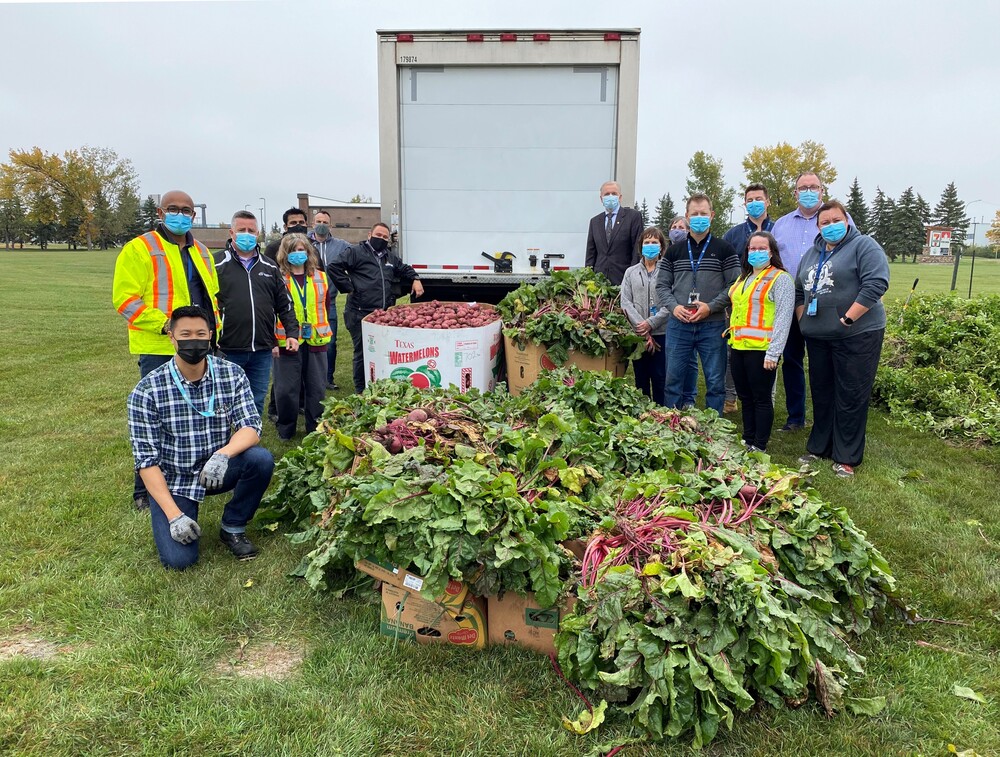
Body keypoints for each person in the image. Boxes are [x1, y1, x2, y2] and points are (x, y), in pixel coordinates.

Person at [127, 305, 274, 569]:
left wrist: (223, 454)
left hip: (218, 468)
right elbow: (146, 462)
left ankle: (233, 526)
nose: (192, 340)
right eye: (185, 334)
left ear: (210, 336)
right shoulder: (146, 391)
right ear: (171, 337)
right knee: (179, 560)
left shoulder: (231, 374)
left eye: (200, 333)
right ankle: (177, 512)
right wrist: (174, 517)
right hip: (176, 479)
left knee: (260, 460)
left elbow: (251, 426)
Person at [113, 189, 221, 510]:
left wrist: (216, 335)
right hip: (159, 347)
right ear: (160, 213)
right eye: (173, 209)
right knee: (155, 418)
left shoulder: (202, 251)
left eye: (186, 210)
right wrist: (165, 325)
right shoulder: (140, 249)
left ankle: (190, 477)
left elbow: (213, 298)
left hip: (200, 348)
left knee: (195, 415)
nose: (180, 214)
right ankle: (144, 489)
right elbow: (125, 299)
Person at [794, 201, 889, 478]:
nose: (830, 226)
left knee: (851, 394)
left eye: (836, 220)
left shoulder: (864, 246)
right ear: (818, 226)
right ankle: (819, 447)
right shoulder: (812, 253)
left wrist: (848, 318)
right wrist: (803, 320)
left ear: (847, 220)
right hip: (819, 335)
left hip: (857, 333)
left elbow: (876, 283)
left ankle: (846, 456)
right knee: (822, 392)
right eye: (825, 222)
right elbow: (800, 290)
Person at [655, 194, 741, 415]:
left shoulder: (725, 249)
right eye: (695, 214)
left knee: (714, 381)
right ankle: (671, 426)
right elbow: (662, 286)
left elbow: (734, 285)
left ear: (712, 216)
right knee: (673, 379)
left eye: (704, 213)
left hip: (712, 325)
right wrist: (674, 307)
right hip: (679, 324)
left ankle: (714, 428)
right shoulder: (674, 251)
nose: (699, 217)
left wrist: (710, 307)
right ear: (687, 216)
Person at [214, 210, 300, 418]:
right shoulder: (215, 263)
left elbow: (284, 302)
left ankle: (251, 442)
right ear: (231, 232)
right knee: (225, 400)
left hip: (261, 349)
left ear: (258, 233)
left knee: (256, 398)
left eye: (251, 230)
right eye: (241, 230)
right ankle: (226, 444)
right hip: (228, 348)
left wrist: (291, 332)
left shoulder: (269, 266)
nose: (247, 234)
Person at [329, 222, 424, 393]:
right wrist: (348, 287)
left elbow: (403, 269)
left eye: (385, 237)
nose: (381, 239)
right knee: (362, 352)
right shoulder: (355, 252)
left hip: (381, 315)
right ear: (369, 235)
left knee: (380, 351)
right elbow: (334, 267)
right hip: (359, 312)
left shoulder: (389, 257)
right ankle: (360, 389)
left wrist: (415, 278)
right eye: (378, 235)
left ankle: (377, 383)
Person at [726, 231, 794, 452]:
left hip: (762, 350)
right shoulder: (743, 277)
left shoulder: (780, 278)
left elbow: (784, 318)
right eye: (752, 249)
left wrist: (774, 353)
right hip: (738, 346)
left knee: (761, 398)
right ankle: (748, 438)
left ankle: (760, 444)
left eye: (761, 248)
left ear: (772, 251)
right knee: (745, 396)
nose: (756, 252)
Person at [771, 172, 826, 432]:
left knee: (823, 362)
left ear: (822, 190)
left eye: (813, 187)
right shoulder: (780, 225)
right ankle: (796, 417)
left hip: (824, 302)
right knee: (792, 360)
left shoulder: (835, 220)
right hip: (789, 301)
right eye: (803, 187)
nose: (808, 191)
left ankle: (827, 417)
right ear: (795, 193)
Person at [721, 184, 776, 413]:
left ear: (767, 201)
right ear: (744, 204)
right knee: (734, 355)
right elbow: (724, 268)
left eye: (758, 198)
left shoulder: (778, 228)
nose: (754, 203)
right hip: (739, 305)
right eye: (749, 199)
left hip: (767, 306)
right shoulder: (733, 234)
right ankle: (731, 398)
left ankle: (767, 401)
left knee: (768, 358)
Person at [271, 235, 333, 440]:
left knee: (316, 388)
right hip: (286, 341)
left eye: (301, 249)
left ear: (308, 252)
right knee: (286, 389)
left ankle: (315, 428)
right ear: (285, 254)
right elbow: (270, 312)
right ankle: (286, 429)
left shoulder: (321, 277)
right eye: (293, 250)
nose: (298, 254)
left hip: (316, 340)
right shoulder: (277, 278)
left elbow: (326, 306)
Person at [621, 226, 669, 403]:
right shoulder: (631, 272)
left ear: (661, 247)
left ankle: (660, 411)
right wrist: (642, 326)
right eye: (647, 242)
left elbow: (670, 303)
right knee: (641, 377)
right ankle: (643, 413)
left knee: (660, 376)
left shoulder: (667, 271)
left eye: (654, 242)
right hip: (639, 335)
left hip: (661, 333)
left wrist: (652, 323)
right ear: (640, 246)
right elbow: (625, 301)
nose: (650, 246)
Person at [308, 210, 350, 390]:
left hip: (329, 303)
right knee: (307, 342)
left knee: (330, 343)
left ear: (330, 225)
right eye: (318, 221)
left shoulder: (341, 246)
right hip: (307, 303)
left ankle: (327, 378)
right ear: (312, 223)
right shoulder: (304, 244)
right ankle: (309, 379)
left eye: (325, 222)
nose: (322, 224)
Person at [584, 180, 644, 286]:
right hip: (600, 281)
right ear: (601, 199)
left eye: (614, 193)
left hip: (623, 278)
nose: (610, 196)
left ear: (620, 197)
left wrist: (632, 277)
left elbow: (637, 249)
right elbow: (591, 253)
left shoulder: (633, 217)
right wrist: (588, 278)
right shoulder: (595, 221)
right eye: (607, 194)